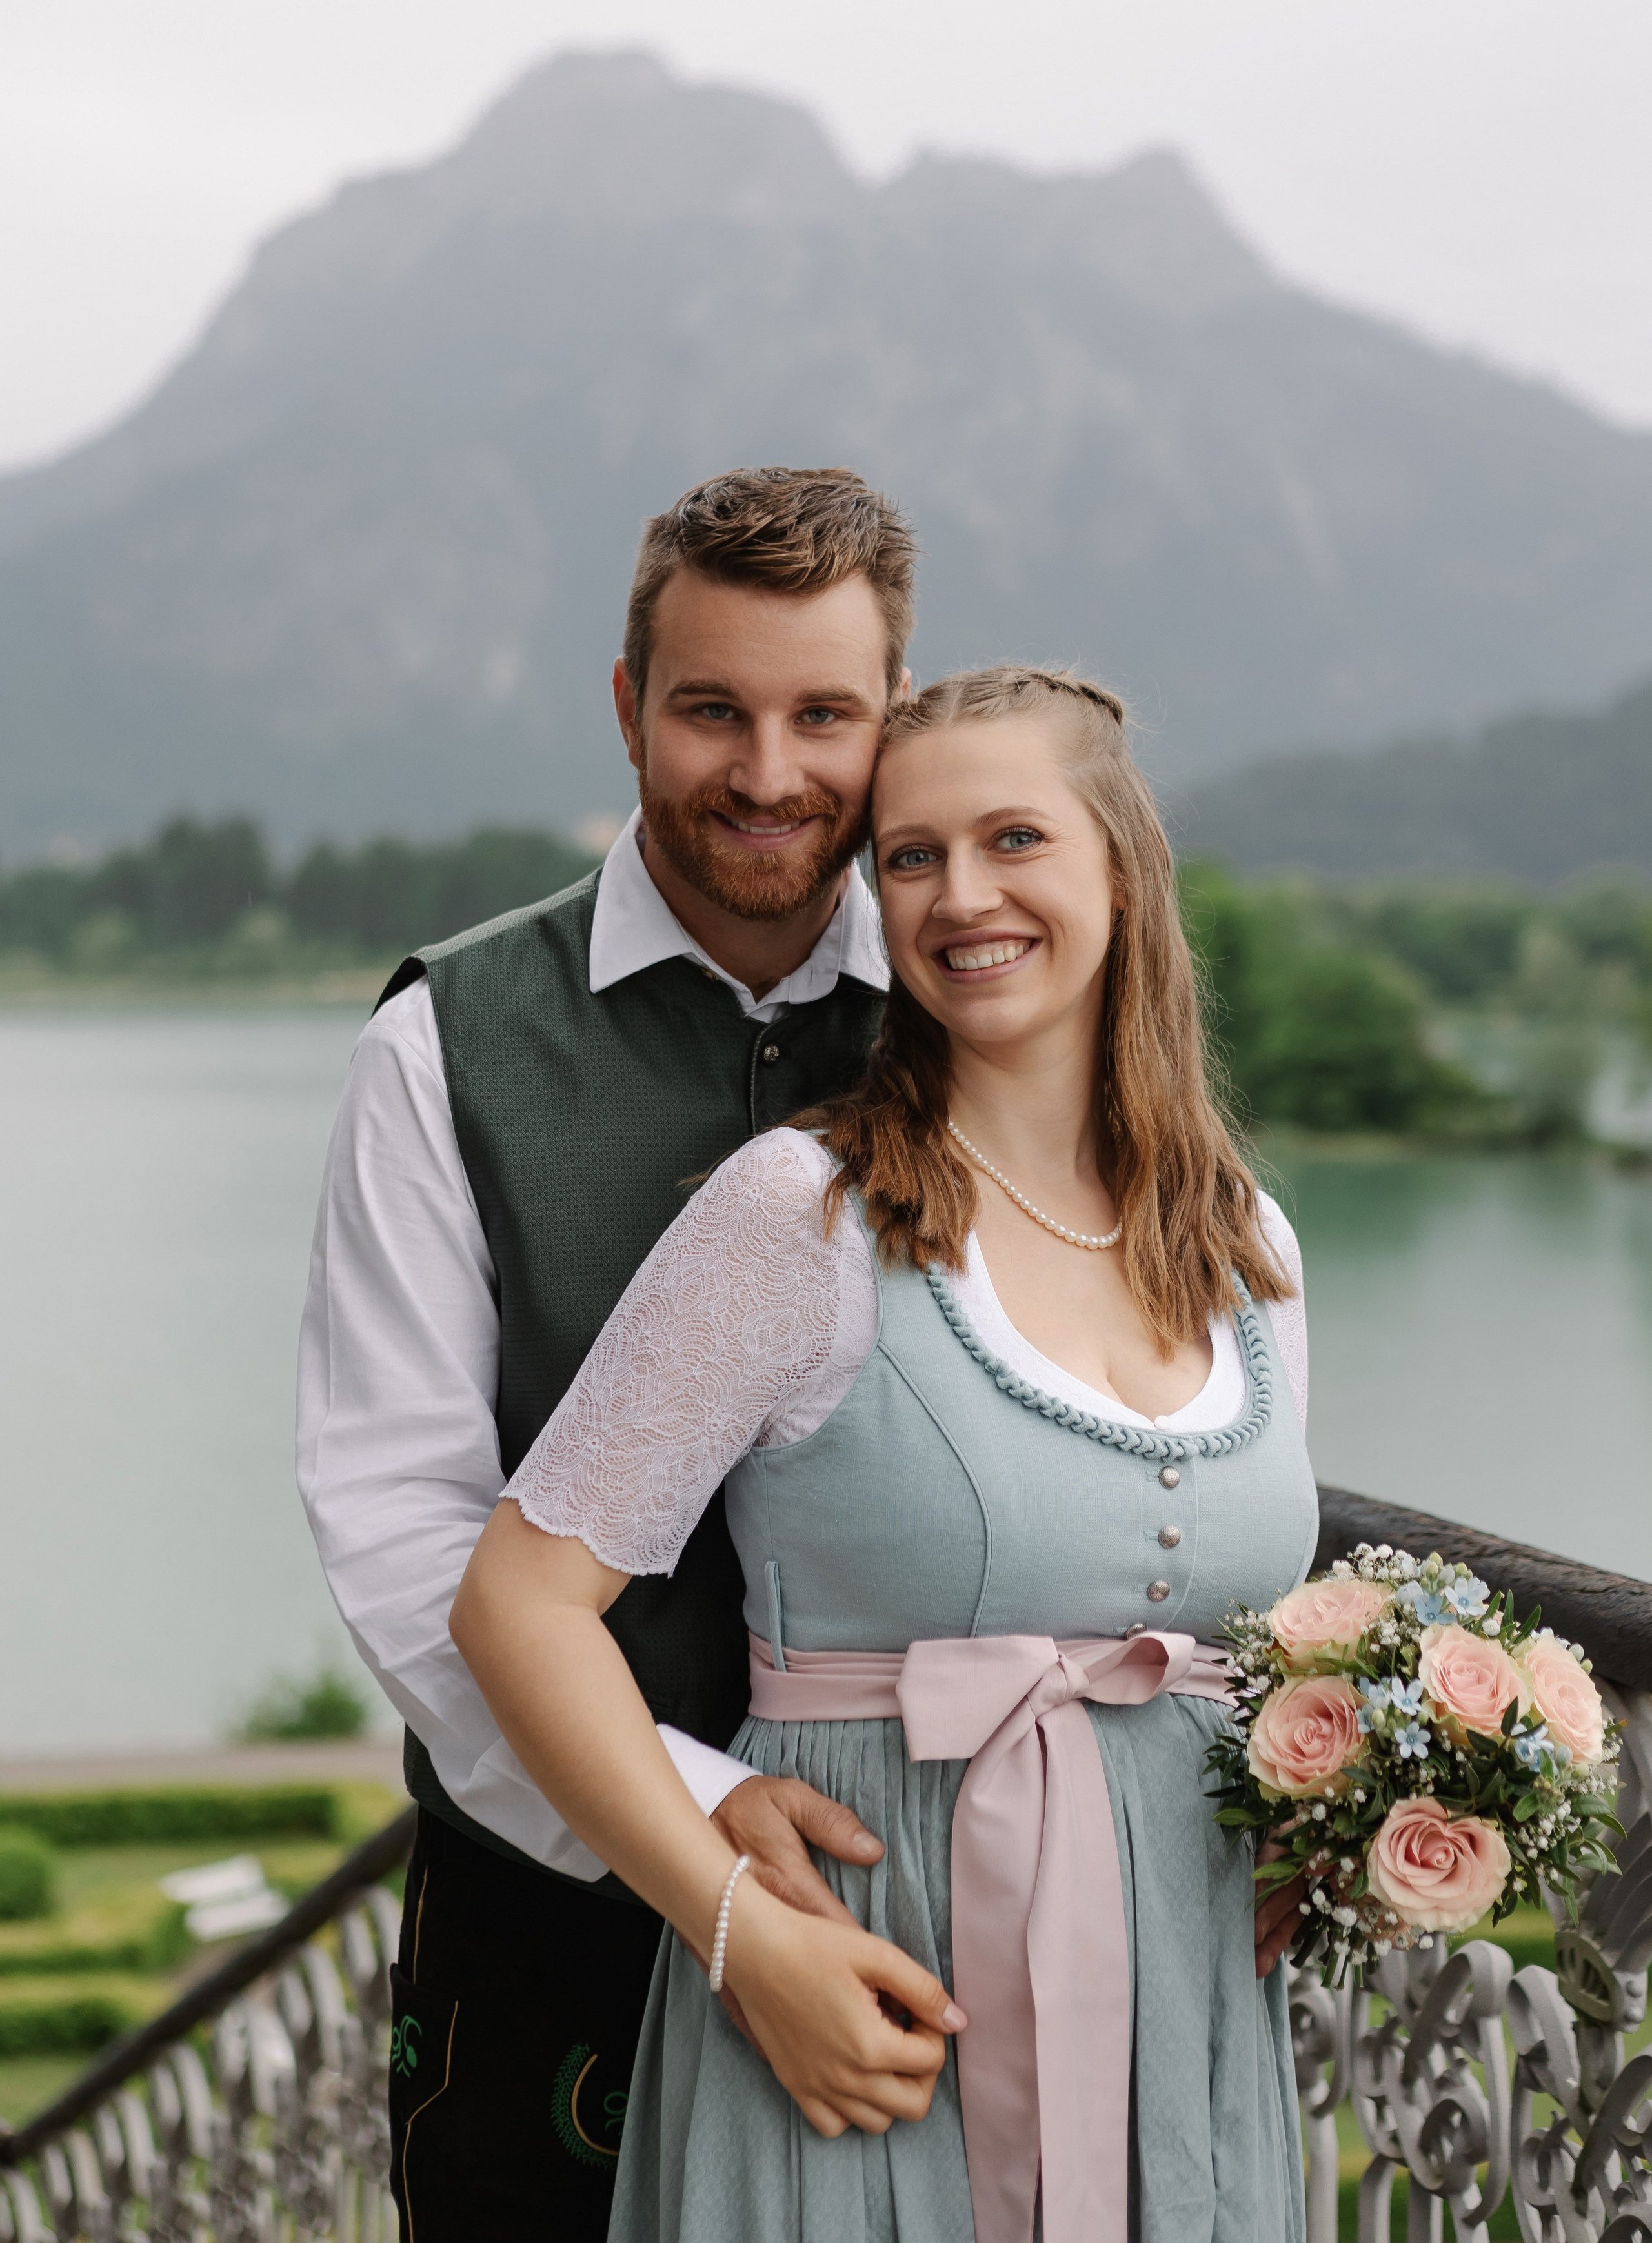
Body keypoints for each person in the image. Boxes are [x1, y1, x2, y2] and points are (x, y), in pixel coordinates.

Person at [453, 663, 1318, 2243]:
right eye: (908, 858)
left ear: (1119, 866)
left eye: (1010, 840)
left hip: (1187, 2020)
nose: (957, 896)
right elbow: (515, 1608)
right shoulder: (799, 1216)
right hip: (867, 2004)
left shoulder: (1243, 1245)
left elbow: (1254, 1630)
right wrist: (735, 1936)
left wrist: (1346, 1812)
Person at [296, 466, 919, 2239]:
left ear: (894, 721)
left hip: (926, 1901)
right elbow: (403, 1526)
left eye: (828, 715)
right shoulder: (442, 1048)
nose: (771, 772)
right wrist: (696, 1813)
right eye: (714, 708)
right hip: (545, 1929)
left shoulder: (986, 1008)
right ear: (629, 702)